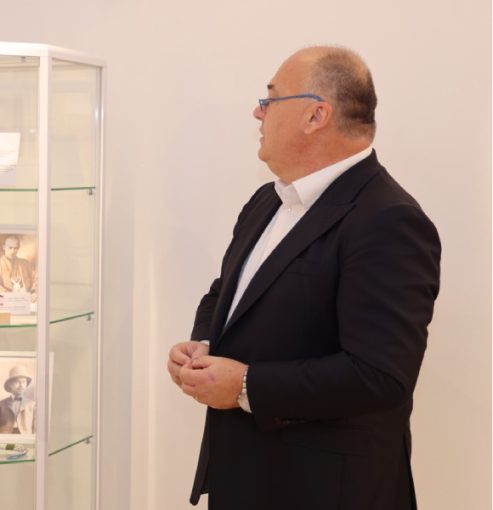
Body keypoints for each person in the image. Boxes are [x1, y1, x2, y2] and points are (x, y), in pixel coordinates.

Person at [167, 46, 441, 510]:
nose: (258, 112)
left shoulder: (389, 220)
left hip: (328, 491)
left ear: (317, 115)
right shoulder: (266, 201)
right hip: (247, 477)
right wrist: (204, 346)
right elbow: (226, 296)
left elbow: (380, 375)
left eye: (270, 99)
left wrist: (246, 385)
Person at [0, 235, 37, 301]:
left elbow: (36, 279)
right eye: (10, 248)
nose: (13, 251)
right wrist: (11, 296)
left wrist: (33, 292)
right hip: (5, 303)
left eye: (15, 248)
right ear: (4, 247)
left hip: (27, 302)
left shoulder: (26, 264)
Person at [0, 365, 36, 435]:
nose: (21, 385)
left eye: (23, 382)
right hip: (5, 439)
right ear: (10, 384)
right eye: (17, 382)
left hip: (25, 438)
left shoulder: (32, 405)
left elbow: (36, 432)